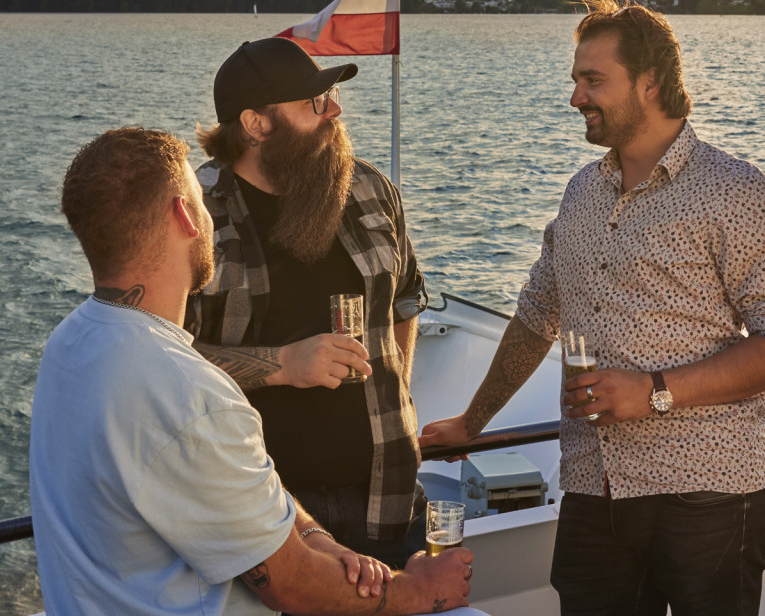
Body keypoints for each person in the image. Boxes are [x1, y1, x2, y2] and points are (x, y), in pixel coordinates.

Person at [419, 0, 765, 616]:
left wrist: (653, 390)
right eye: (576, 79)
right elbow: (536, 317)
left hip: (710, 494)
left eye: (592, 80)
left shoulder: (734, 191)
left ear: (649, 82)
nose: (576, 97)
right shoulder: (581, 194)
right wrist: (473, 424)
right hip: (593, 489)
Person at [31, 127, 474, 616]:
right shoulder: (191, 393)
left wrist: (321, 541)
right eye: (200, 199)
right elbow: (292, 587)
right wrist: (421, 589)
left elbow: (236, 491)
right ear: (186, 216)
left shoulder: (68, 347)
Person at [186, 38, 430, 568]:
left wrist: (399, 395)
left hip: (390, 498)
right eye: (314, 102)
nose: (335, 111)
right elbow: (161, 358)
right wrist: (282, 365)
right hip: (266, 513)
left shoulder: (368, 188)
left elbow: (406, 302)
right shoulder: (193, 214)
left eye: (332, 95)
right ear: (255, 124)